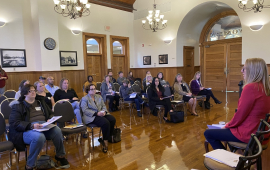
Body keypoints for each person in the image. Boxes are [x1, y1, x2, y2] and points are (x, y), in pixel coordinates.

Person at [204, 58, 270, 150]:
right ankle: (237, 157)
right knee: (228, 130)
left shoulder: (251, 88)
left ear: (252, 71)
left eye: (244, 68)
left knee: (208, 133)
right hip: (261, 134)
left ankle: (227, 160)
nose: (241, 70)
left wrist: (227, 126)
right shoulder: (264, 88)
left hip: (250, 133)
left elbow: (240, 114)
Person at [9, 84, 70, 170]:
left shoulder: (40, 102)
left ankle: (60, 156)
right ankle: (30, 165)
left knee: (57, 130)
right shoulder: (18, 106)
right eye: (30, 91)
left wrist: (49, 119)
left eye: (34, 90)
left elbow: (51, 113)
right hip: (27, 129)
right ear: (24, 94)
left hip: (43, 126)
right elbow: (14, 123)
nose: (33, 92)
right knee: (39, 137)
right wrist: (31, 125)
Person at [81, 84, 116, 153]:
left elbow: (103, 106)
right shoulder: (85, 99)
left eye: (94, 89)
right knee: (105, 122)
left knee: (112, 119)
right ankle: (105, 143)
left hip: (100, 114)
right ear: (88, 90)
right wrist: (96, 113)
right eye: (92, 89)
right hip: (91, 116)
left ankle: (106, 137)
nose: (94, 90)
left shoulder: (99, 96)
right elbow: (85, 110)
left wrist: (104, 112)